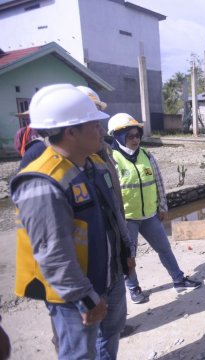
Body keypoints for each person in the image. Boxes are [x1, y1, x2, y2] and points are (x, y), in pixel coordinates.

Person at [11, 84, 135, 359]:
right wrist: (86, 297)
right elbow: (52, 252)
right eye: (94, 125)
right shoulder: (41, 181)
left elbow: (113, 212)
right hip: (75, 293)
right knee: (79, 353)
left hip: (109, 274)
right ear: (71, 132)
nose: (101, 131)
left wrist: (125, 251)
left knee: (110, 334)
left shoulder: (94, 163)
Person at [108, 113, 202, 304]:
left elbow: (158, 182)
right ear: (118, 137)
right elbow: (111, 194)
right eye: (130, 136)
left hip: (150, 215)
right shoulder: (113, 160)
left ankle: (178, 280)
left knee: (164, 248)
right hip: (128, 219)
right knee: (129, 256)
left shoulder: (146, 155)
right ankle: (133, 289)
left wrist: (163, 206)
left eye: (137, 135)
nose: (135, 140)